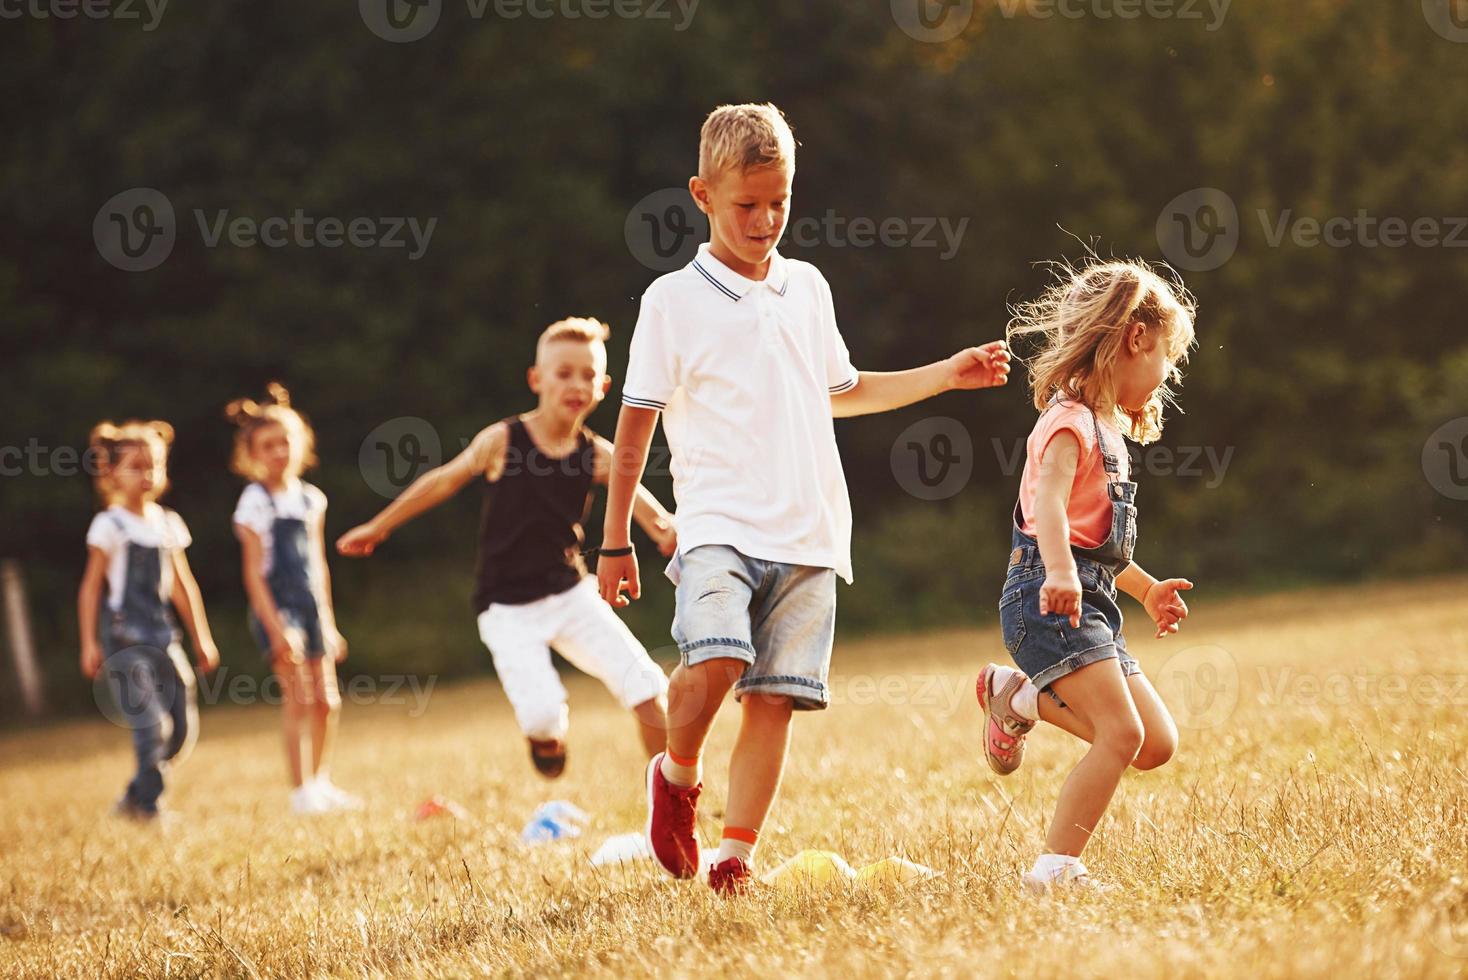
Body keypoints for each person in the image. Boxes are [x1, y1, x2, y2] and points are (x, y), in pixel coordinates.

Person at [597, 103, 1012, 893]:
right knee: (715, 659)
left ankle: (734, 859)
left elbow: (842, 390)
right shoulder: (671, 301)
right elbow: (633, 431)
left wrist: (944, 375)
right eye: (746, 204)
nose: (764, 219)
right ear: (703, 195)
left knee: (774, 702)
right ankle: (676, 776)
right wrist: (615, 539)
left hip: (812, 532)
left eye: (779, 201)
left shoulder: (807, 287)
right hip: (717, 523)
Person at [336, 317, 676, 778]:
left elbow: (654, 517)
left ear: (604, 387)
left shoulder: (599, 454)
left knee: (648, 689)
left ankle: (675, 800)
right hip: (506, 606)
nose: (577, 384)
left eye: (588, 375)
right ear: (536, 379)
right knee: (542, 719)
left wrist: (673, 535)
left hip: (572, 594)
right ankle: (547, 739)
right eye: (563, 373)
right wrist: (378, 527)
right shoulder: (502, 441)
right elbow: (443, 481)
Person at [976, 258, 1198, 892]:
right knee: (1121, 734)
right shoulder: (1068, 423)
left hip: (1089, 600)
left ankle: (1017, 698)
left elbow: (1097, 546)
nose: (1168, 373)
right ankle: (1055, 869)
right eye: (1166, 357)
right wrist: (1057, 569)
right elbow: (1047, 505)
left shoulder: (1109, 431)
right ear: (1135, 339)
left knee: (1154, 743)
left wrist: (1148, 589)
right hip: (1046, 600)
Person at [78, 419, 219, 821]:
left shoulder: (168, 523)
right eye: (136, 466)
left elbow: (182, 586)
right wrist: (89, 642)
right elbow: (91, 589)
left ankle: (133, 795)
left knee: (180, 728)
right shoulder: (110, 525)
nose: (148, 475)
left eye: (154, 465)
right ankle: (150, 806)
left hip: (163, 634)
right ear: (111, 473)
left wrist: (201, 638)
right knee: (149, 723)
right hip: (124, 638)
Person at [228, 383, 359, 815]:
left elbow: (318, 565)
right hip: (278, 609)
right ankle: (300, 790)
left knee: (327, 701)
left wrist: (330, 621)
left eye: (285, 441)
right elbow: (253, 574)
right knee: (299, 699)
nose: (278, 452)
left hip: (312, 607)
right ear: (252, 454)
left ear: (299, 444)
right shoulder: (254, 502)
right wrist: (275, 625)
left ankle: (321, 782)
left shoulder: (310, 499)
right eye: (267, 446)